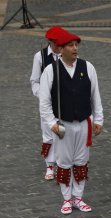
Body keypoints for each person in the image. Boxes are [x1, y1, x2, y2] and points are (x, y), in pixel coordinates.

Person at [39, 31, 104, 214]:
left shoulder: (87, 67)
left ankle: (78, 197)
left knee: (81, 160)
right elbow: (44, 102)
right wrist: (52, 122)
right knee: (64, 161)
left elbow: (95, 95)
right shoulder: (51, 71)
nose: (75, 48)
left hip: (84, 122)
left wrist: (98, 119)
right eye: (70, 45)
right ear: (60, 49)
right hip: (63, 123)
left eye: (76, 45)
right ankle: (67, 198)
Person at [30, 26, 67, 180]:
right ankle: (50, 166)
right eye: (57, 44)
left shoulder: (68, 53)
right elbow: (34, 81)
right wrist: (43, 95)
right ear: (50, 42)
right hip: (48, 103)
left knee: (64, 132)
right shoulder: (40, 57)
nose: (60, 47)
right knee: (48, 134)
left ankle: (63, 162)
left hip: (66, 101)